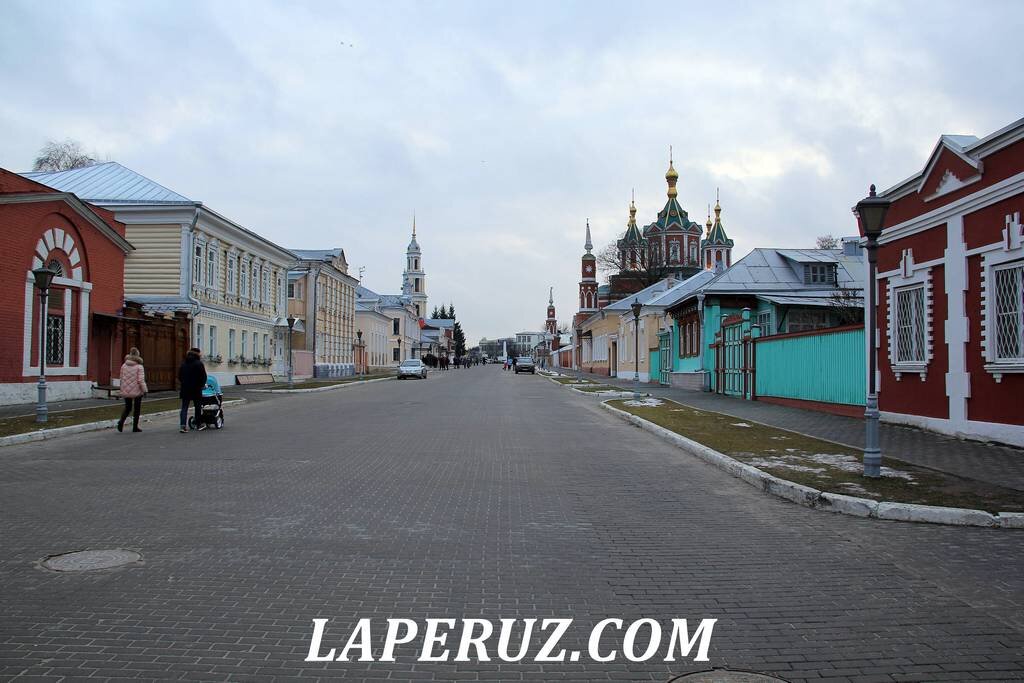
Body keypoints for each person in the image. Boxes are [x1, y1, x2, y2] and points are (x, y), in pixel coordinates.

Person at [117, 347, 148, 433]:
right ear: (138, 355)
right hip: (137, 391)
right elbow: (140, 380)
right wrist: (145, 390)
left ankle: (121, 422)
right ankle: (135, 427)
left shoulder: (123, 365)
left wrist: (122, 388)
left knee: (128, 407)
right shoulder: (139, 367)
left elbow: (121, 378)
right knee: (137, 409)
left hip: (126, 390)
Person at [178, 348, 207, 433]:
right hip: (196, 389)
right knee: (197, 407)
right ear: (197, 354)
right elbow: (203, 376)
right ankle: (198, 424)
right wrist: (202, 385)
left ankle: (182, 426)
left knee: (184, 407)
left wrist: (184, 383)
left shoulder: (183, 364)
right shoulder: (199, 364)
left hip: (185, 388)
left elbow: (179, 376)